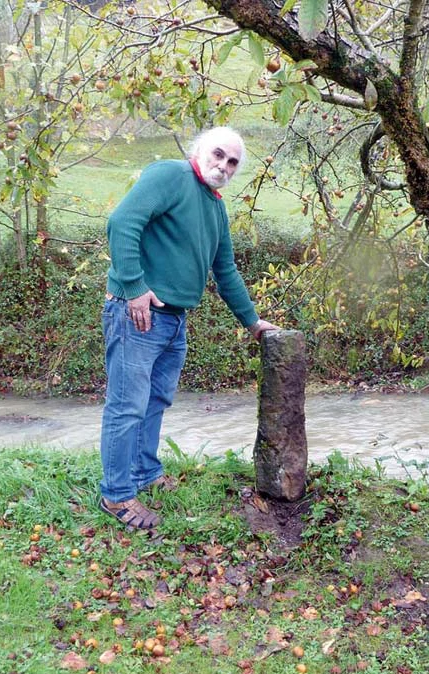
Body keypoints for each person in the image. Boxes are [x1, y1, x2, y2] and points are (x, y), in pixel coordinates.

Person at [98, 126, 279, 531]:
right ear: (200, 149)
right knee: (127, 406)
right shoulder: (170, 175)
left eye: (233, 162)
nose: (224, 165)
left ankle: (145, 473)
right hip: (137, 315)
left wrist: (251, 321)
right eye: (218, 154)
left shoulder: (214, 207)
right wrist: (134, 287)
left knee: (156, 400)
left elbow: (225, 268)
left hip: (174, 319)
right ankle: (116, 494)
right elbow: (122, 222)